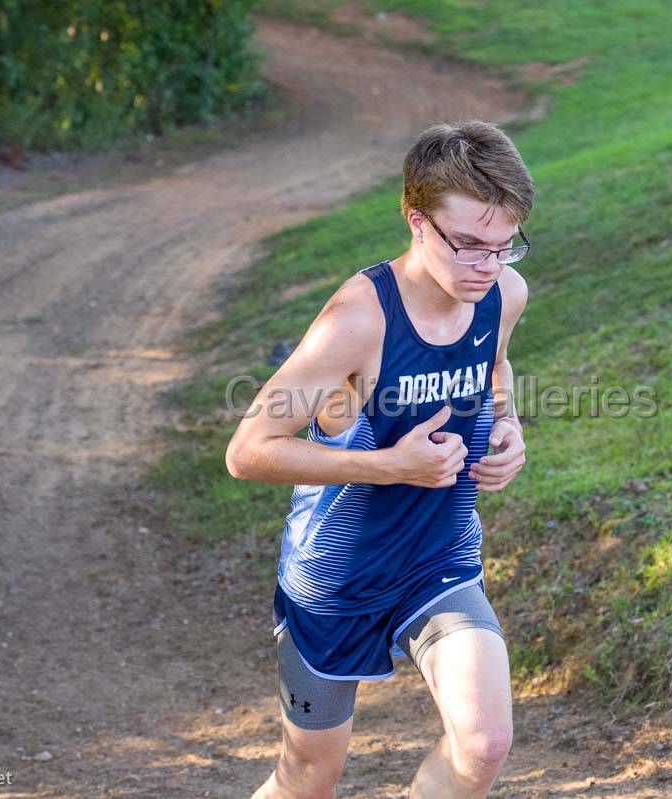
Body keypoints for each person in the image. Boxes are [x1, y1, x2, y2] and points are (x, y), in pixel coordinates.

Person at [226, 119, 533, 798]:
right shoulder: (359, 319)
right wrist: (391, 464)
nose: (488, 266)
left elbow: (497, 369)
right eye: (471, 246)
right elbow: (248, 451)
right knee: (310, 778)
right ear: (416, 221)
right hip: (337, 579)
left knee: (483, 743)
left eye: (505, 246)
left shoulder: (503, 296)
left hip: (438, 559)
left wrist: (508, 427)